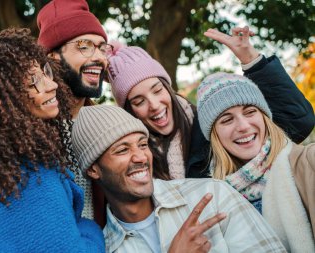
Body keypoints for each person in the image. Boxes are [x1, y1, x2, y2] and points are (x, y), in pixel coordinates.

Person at [0, 28, 104, 252]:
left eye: (45, 72)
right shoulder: (32, 177)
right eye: (33, 81)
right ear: (0, 101)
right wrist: (89, 229)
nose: (51, 85)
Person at [71, 104, 287, 253]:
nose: (140, 157)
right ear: (93, 170)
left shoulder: (212, 195)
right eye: (122, 150)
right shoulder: (107, 247)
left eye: (143, 144)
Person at [107, 26, 315, 180]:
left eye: (157, 89)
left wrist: (251, 59)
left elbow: (298, 122)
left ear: (168, 89)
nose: (153, 104)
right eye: (139, 100)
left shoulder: (209, 121)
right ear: (129, 110)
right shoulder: (137, 155)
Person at [196, 71, 315, 252]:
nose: (243, 126)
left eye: (250, 112)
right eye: (227, 120)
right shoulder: (212, 200)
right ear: (215, 136)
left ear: (265, 117)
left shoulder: (307, 163)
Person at [37, 0, 113, 222]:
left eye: (102, 47)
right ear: (53, 58)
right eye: (85, 46)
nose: (99, 57)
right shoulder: (26, 131)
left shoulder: (106, 125)